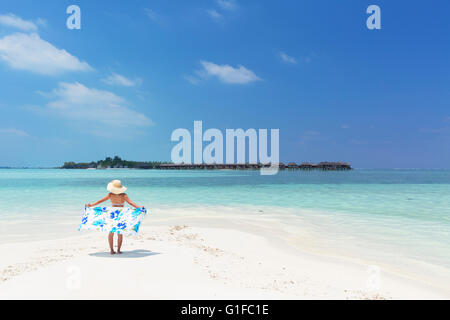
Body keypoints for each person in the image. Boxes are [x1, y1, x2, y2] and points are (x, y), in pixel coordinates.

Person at [86, 180, 143, 255]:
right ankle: (119, 250)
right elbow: (130, 203)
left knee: (111, 232)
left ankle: (112, 250)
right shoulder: (123, 195)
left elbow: (100, 201)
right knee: (120, 233)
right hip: (122, 214)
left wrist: (91, 205)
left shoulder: (110, 195)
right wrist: (139, 208)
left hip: (112, 214)